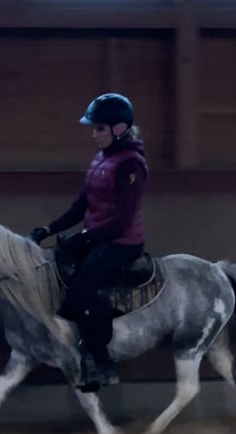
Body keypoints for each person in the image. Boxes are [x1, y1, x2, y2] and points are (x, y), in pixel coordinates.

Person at [28, 92, 148, 388]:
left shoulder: (130, 166)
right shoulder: (101, 159)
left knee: (80, 295)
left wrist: (82, 239)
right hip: (97, 237)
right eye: (94, 129)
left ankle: (103, 363)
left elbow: (122, 220)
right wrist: (48, 229)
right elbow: (82, 206)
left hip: (122, 242)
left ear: (119, 129)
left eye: (99, 129)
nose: (94, 135)